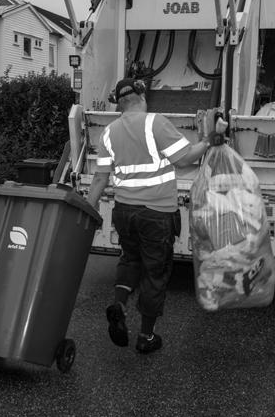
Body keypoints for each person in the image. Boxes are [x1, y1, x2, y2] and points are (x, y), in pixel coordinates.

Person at [87, 77, 223, 354]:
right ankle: (146, 336)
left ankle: (119, 304)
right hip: (156, 213)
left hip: (124, 212)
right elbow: (185, 158)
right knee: (155, 273)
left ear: (120, 103)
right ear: (141, 96)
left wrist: (87, 210)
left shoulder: (109, 132)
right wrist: (209, 140)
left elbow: (101, 178)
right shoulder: (155, 122)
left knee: (130, 259)